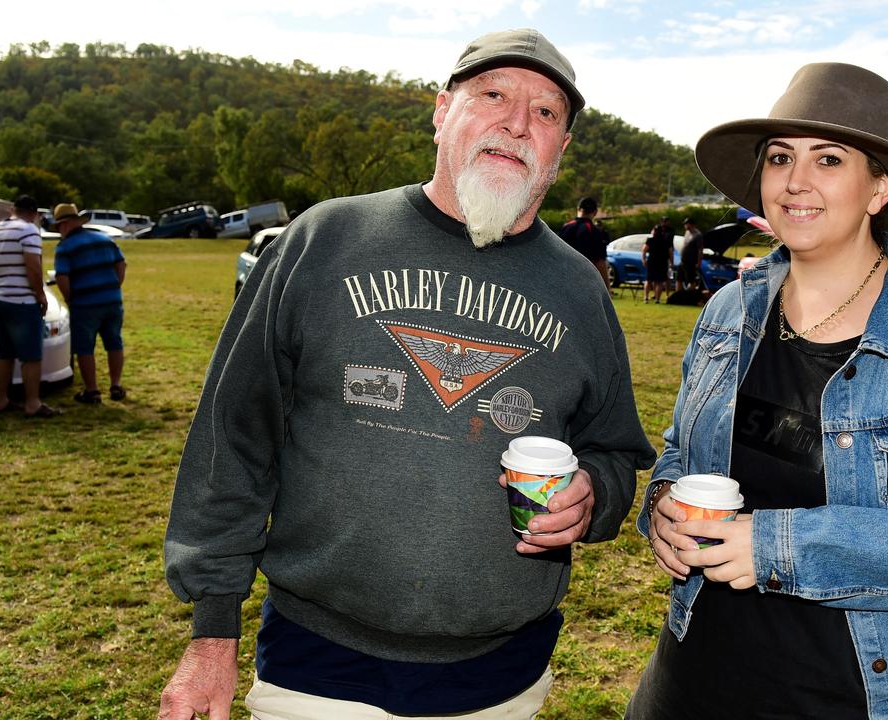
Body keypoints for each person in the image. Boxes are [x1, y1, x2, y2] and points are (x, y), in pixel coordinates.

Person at [159, 28, 655, 720]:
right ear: (441, 110)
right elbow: (231, 440)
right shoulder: (323, 240)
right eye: (493, 95)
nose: (517, 123)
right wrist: (212, 630)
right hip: (317, 667)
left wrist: (592, 496)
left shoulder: (579, 290)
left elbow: (616, 452)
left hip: (505, 680)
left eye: (546, 113)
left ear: (561, 148)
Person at [629, 63, 888, 720]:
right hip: (690, 680)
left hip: (849, 694)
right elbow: (683, 450)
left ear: (879, 189)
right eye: (779, 158)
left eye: (828, 159)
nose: (796, 181)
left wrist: (778, 547)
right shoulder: (726, 313)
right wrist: (662, 506)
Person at [0, 194, 60, 418]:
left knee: (5, 353)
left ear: (12, 210)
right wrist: (40, 296)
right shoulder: (29, 231)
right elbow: (33, 268)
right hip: (22, 301)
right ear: (34, 214)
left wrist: (0, 282)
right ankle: (33, 403)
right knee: (31, 356)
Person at [52, 203, 128, 404]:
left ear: (65, 225)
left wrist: (69, 298)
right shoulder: (104, 239)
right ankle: (116, 386)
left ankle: (92, 391)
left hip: (85, 305)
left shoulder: (65, 247)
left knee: (84, 348)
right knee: (114, 343)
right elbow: (121, 264)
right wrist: (114, 285)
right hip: (112, 301)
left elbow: (62, 277)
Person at [557, 196, 610, 288]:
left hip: (563, 278)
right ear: (595, 212)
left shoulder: (566, 228)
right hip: (584, 281)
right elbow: (600, 263)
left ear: (578, 209)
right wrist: (607, 289)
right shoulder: (594, 231)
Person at [642, 217, 674, 304]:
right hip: (662, 262)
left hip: (652, 262)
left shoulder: (650, 240)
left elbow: (644, 250)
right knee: (659, 282)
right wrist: (671, 263)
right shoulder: (666, 241)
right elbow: (671, 253)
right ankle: (657, 299)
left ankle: (646, 297)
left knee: (649, 280)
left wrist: (644, 259)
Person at [675, 218, 703, 293]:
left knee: (691, 279)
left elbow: (700, 250)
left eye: (687, 224)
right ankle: (678, 295)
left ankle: (690, 295)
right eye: (685, 224)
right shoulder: (687, 232)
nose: (685, 225)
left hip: (691, 261)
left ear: (692, 224)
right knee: (679, 278)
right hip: (683, 260)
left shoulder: (698, 235)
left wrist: (699, 262)